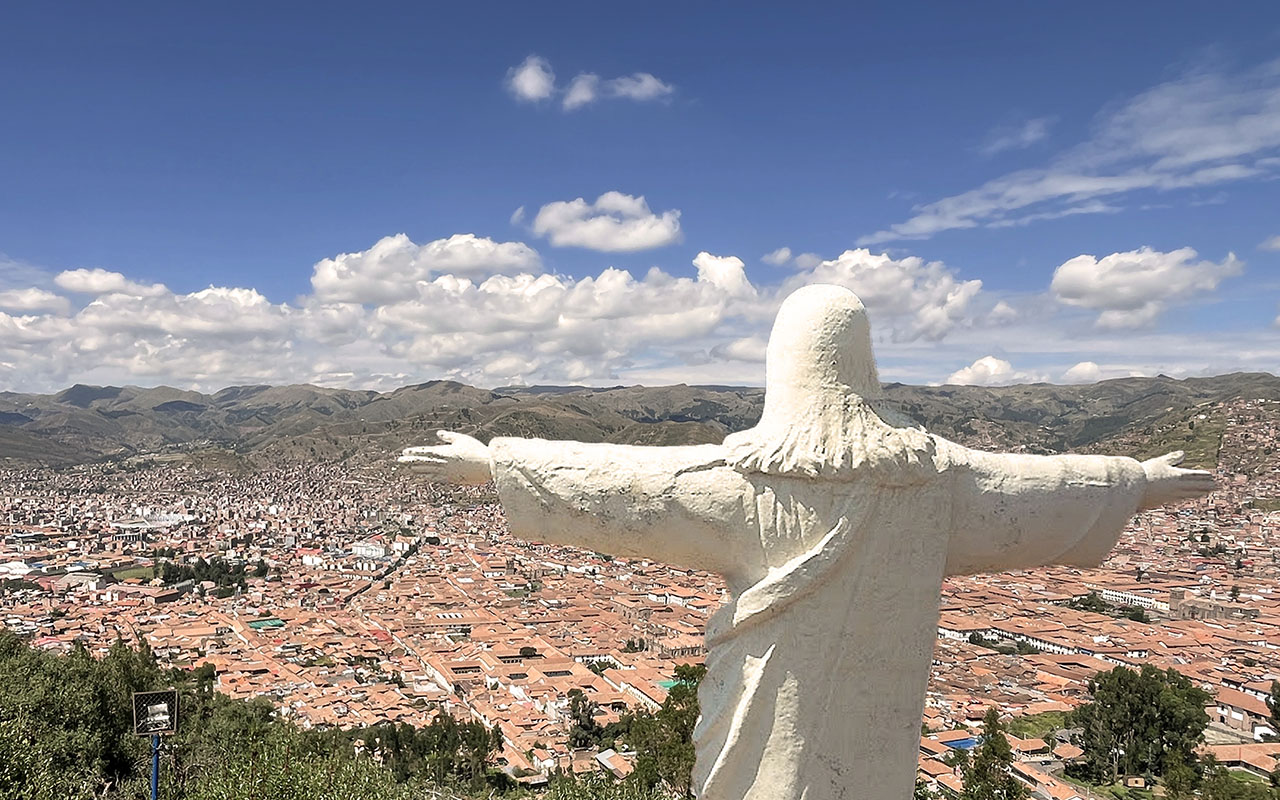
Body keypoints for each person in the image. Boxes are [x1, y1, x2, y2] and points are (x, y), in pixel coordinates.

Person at [401, 284, 1213, 800]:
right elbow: (1038, 488)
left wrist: (495, 464)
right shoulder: (938, 478)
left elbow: (625, 485)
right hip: (878, 732)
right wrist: (1132, 479)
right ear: (865, 363)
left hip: (760, 711)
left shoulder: (739, 478)